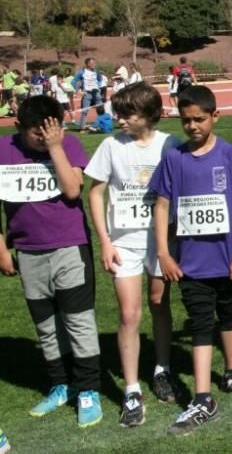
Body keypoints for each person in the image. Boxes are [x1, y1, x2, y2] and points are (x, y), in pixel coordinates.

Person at [151, 85, 232, 436]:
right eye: (186, 121)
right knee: (201, 323)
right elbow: (162, 206)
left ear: (215, 116)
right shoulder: (174, 159)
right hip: (191, 264)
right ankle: (203, 398)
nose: (193, 126)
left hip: (229, 260)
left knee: (229, 314)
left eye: (199, 119)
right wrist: (164, 253)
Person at [0, 96, 103, 427]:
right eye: (38, 133)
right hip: (28, 251)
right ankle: (61, 385)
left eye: (52, 130)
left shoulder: (68, 145)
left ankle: (88, 389)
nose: (45, 138)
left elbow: (73, 190)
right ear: (19, 127)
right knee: (46, 326)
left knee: (78, 322)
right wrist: (2, 247)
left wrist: (56, 147)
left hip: (69, 247)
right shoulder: (4, 150)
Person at [86, 83, 183, 426]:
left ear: (149, 115)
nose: (120, 120)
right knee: (129, 314)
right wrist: (105, 240)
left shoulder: (169, 144)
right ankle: (130, 390)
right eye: (118, 113)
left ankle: (162, 369)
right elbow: (95, 194)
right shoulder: (110, 146)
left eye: (127, 114)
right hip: (123, 243)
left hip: (160, 241)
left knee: (159, 304)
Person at [72, 57, 103, 128]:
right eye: (91, 63)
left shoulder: (96, 71)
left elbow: (100, 79)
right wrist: (79, 91)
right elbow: (73, 81)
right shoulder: (81, 72)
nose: (94, 64)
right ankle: (82, 127)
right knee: (85, 111)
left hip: (96, 93)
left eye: (94, 63)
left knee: (100, 110)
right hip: (87, 94)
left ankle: (101, 126)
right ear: (87, 64)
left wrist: (99, 87)